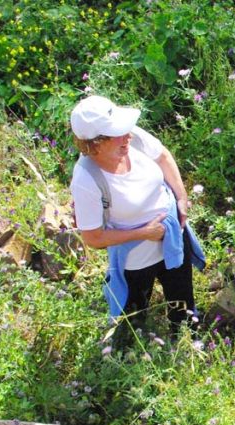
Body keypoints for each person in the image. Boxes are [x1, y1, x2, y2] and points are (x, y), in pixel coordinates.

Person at [69, 95, 204, 341]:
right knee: (135, 311)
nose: (128, 135)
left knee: (181, 293)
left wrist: (181, 198)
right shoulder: (86, 180)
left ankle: (186, 338)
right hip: (135, 256)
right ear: (95, 144)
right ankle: (136, 350)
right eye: (118, 133)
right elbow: (93, 237)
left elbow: (162, 156)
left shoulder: (130, 138)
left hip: (172, 235)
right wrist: (145, 233)